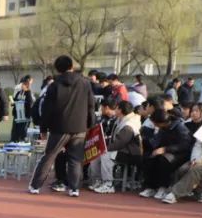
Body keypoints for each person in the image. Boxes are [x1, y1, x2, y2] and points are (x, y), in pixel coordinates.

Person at [29, 55, 97, 197]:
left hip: (59, 127)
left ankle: (35, 186)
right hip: (80, 126)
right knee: (75, 158)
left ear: (58, 69)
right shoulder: (85, 83)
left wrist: (43, 128)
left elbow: (47, 109)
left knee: (50, 156)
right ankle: (74, 188)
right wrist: (91, 124)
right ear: (72, 66)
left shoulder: (54, 85)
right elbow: (91, 105)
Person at [139, 108, 194, 200]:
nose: (154, 125)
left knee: (164, 160)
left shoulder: (180, 127)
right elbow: (155, 142)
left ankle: (163, 187)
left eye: (156, 123)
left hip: (180, 154)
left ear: (161, 122)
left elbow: (185, 145)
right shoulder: (162, 128)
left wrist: (165, 149)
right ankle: (150, 187)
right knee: (150, 158)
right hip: (165, 151)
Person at [90, 100, 141, 194]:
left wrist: (104, 148)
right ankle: (98, 180)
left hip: (130, 153)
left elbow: (120, 143)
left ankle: (108, 184)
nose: (115, 109)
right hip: (122, 150)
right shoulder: (120, 119)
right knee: (96, 154)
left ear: (120, 110)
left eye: (117, 108)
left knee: (105, 154)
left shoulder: (129, 124)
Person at [11, 75, 35, 144]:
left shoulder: (28, 93)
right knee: (15, 130)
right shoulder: (19, 92)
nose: (22, 86)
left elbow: (30, 102)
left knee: (23, 131)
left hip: (25, 115)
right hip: (17, 115)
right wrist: (13, 103)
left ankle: (22, 142)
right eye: (22, 84)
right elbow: (15, 100)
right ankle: (14, 142)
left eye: (24, 84)